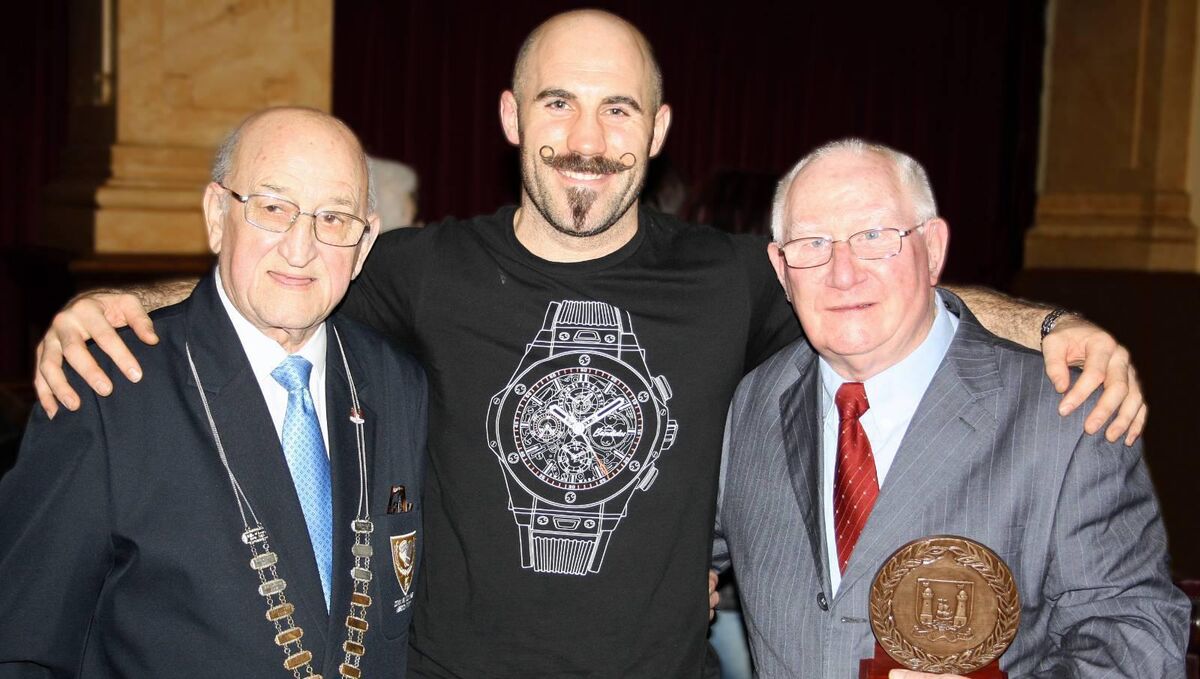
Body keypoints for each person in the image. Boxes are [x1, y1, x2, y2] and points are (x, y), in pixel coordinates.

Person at [31, 11, 1146, 678]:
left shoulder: (731, 275)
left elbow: (878, 290)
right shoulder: (416, 267)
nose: (586, 141)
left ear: (659, 135)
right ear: (511, 116)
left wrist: (1052, 322)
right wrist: (127, 304)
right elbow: (281, 276)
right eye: (557, 104)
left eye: (619, 112)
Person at [712, 139, 1188, 678]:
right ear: (781, 266)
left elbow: (1137, 641)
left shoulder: (1065, 418)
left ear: (933, 248)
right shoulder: (751, 403)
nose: (842, 272)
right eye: (813, 242)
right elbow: (677, 550)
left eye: (875, 236)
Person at [0, 108, 428, 677]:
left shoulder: (396, 382)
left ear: (365, 240)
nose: (301, 247)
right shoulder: (111, 389)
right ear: (217, 216)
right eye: (273, 208)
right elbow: (24, 645)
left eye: (334, 217)